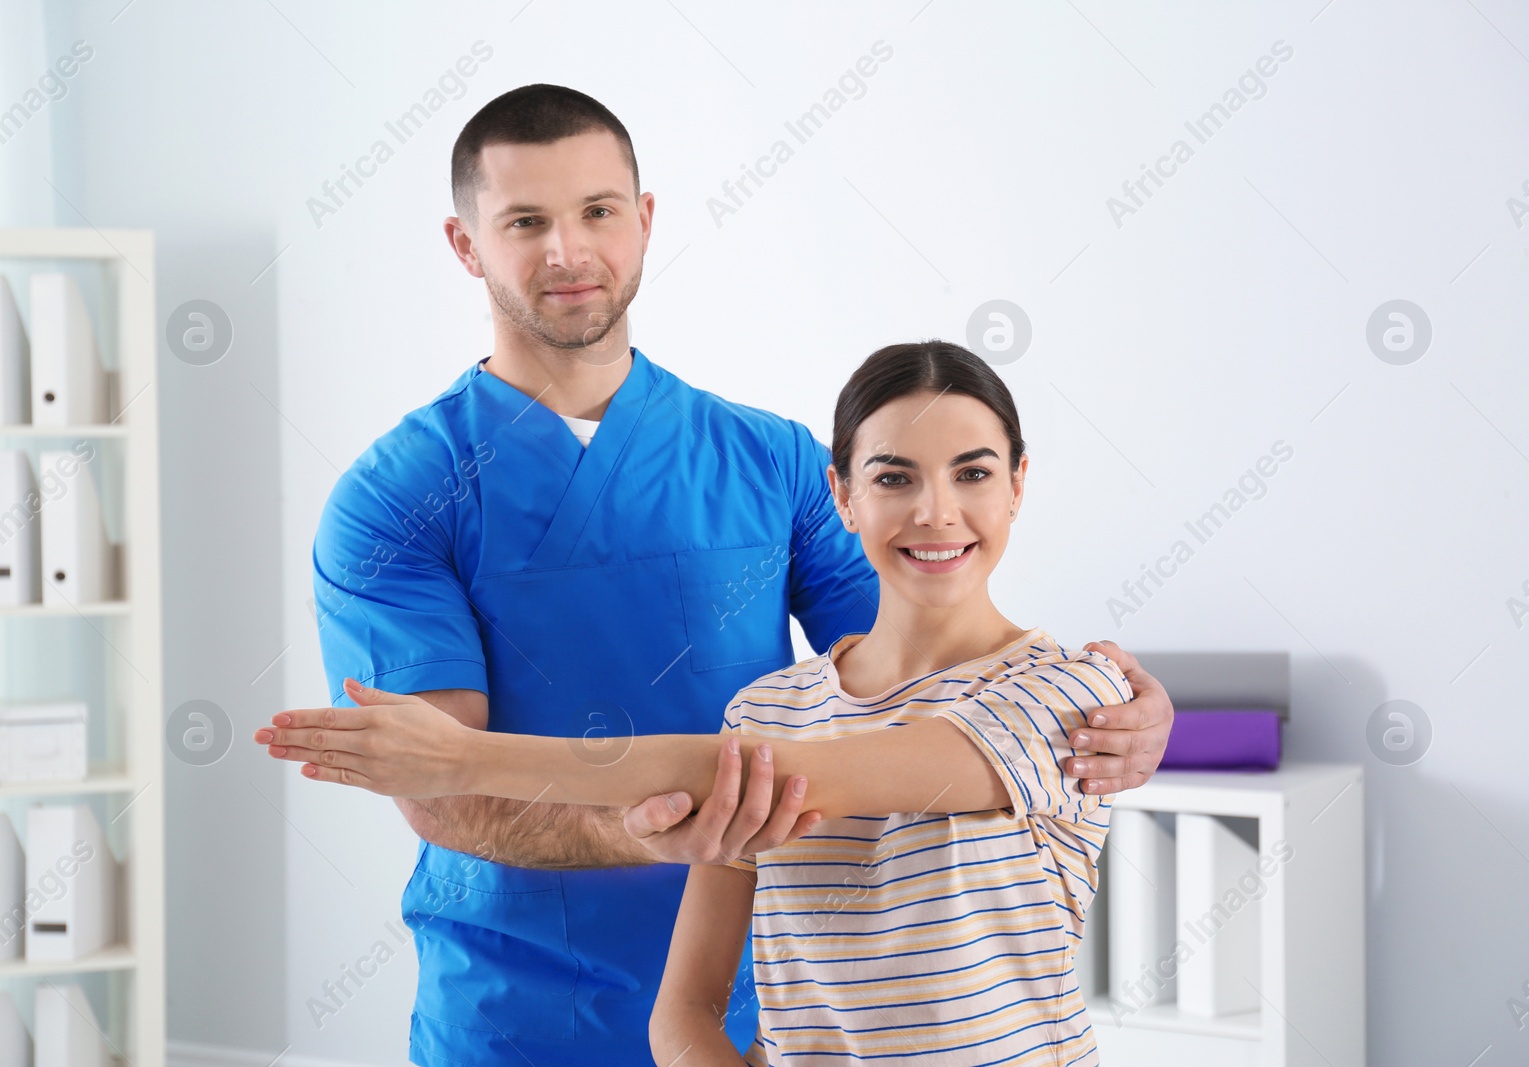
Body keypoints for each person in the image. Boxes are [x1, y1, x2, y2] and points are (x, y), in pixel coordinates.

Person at [306, 82, 1175, 1066]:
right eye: (525, 222)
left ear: (644, 220)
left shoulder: (774, 459)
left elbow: (908, 672)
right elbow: (441, 785)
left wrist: (1113, 721)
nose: (568, 252)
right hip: (515, 1010)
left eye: (596, 211)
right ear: (466, 245)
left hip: (775, 1013)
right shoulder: (394, 499)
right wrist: (693, 831)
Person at [264, 340, 1128, 1065]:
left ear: (1018, 483)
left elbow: (763, 775)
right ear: (844, 496)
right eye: (895, 478)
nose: (936, 511)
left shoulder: (1063, 693)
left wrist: (462, 754)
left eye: (972, 473)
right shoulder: (772, 708)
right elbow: (682, 1015)